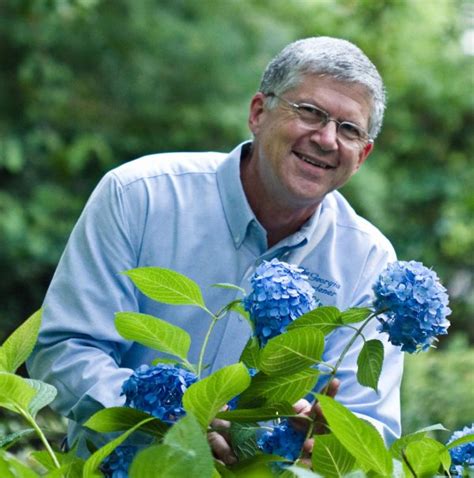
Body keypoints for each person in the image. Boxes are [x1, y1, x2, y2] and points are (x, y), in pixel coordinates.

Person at [27, 36, 403, 463]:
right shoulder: (139, 195)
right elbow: (67, 347)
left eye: (349, 129)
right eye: (310, 113)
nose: (326, 139)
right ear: (258, 113)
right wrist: (174, 423)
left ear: (363, 154)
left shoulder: (369, 261)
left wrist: (328, 442)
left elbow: (371, 422)